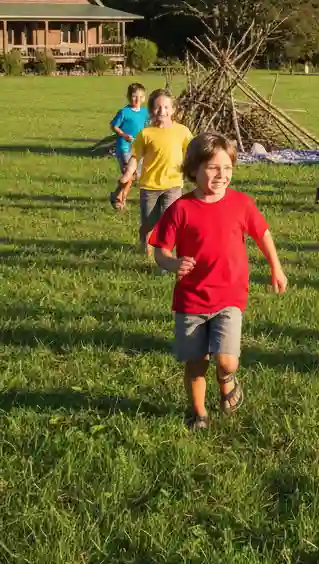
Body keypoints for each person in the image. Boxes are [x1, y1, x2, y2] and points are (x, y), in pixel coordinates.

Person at [151, 132, 287, 431]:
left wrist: (275, 268)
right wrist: (173, 263)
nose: (221, 175)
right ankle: (198, 413)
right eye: (213, 168)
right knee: (196, 363)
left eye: (227, 168)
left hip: (229, 295)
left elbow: (262, 234)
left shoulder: (241, 204)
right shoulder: (181, 209)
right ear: (194, 170)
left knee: (227, 361)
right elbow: (160, 250)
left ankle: (226, 380)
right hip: (191, 298)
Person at [112, 89, 193, 263]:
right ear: (150, 111)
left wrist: (195, 167)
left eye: (165, 107)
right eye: (157, 107)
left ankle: (164, 254)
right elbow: (135, 158)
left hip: (173, 184)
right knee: (150, 222)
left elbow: (192, 151)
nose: (161, 111)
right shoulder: (145, 134)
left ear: (173, 110)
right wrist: (128, 174)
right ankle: (144, 237)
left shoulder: (182, 131)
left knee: (169, 220)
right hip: (149, 186)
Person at [109, 82, 148, 179]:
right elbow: (114, 126)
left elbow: (150, 124)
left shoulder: (145, 112)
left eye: (141, 96)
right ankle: (120, 193)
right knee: (128, 172)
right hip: (125, 147)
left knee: (138, 174)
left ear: (144, 97)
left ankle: (122, 192)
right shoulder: (124, 112)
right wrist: (124, 135)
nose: (138, 99)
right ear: (128, 96)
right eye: (135, 96)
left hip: (139, 146)